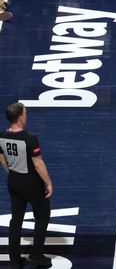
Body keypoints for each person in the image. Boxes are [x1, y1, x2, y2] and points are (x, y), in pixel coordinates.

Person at [0, 103, 54, 269]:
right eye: (26, 113)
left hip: (14, 181)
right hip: (31, 182)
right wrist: (48, 183)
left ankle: (14, 262)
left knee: (16, 220)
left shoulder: (1, 136)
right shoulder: (30, 138)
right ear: (21, 117)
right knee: (42, 214)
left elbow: (2, 160)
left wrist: (14, 175)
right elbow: (38, 164)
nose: (27, 116)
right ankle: (37, 254)